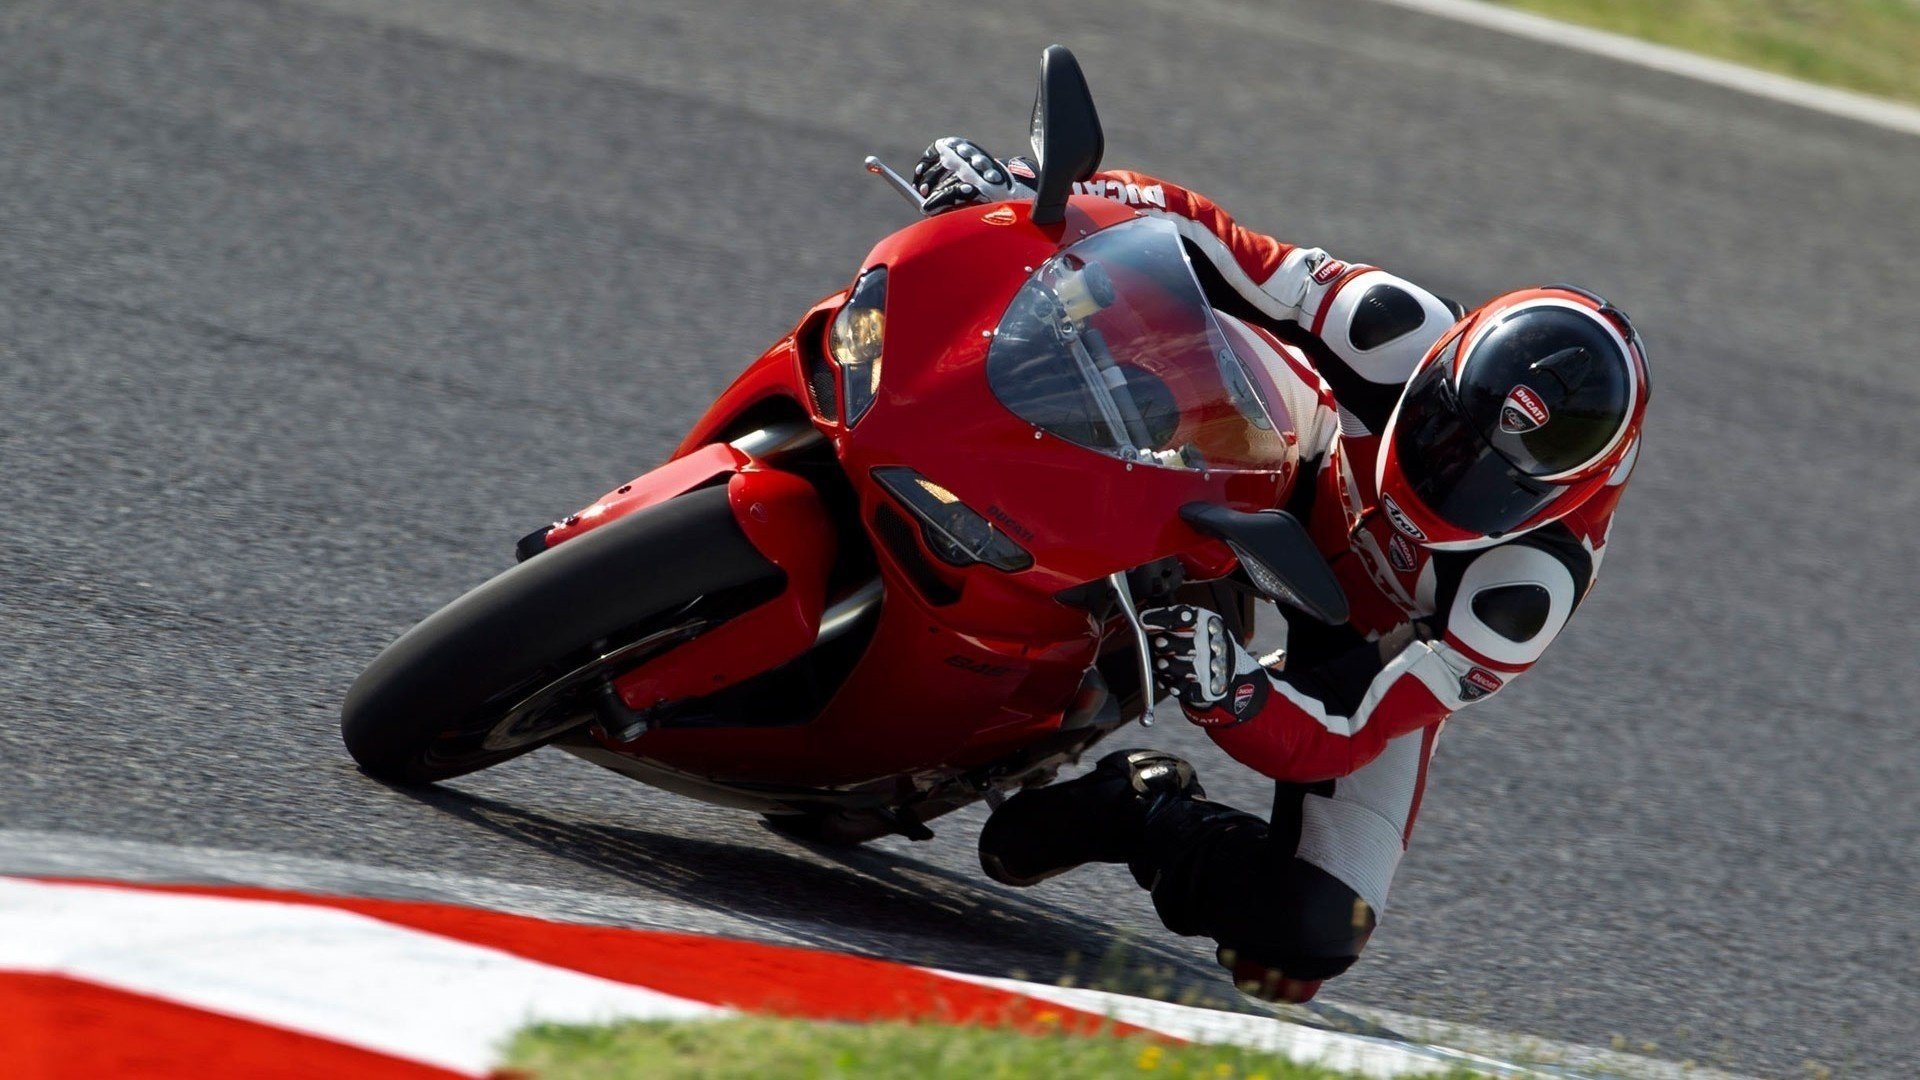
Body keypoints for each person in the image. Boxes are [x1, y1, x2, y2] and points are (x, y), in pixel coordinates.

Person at [913, 138, 1651, 1003]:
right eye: (1443, 430)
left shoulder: (1524, 591)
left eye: (1489, 479)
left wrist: (1236, 694)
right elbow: (1212, 240)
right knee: (1131, 319)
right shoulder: (1393, 327)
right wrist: (1033, 191)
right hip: (1283, 469)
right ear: (1440, 368)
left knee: (1308, 935)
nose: (1448, 472)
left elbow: (1347, 734)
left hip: (1359, 647)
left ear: (1567, 496)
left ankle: (1140, 810)